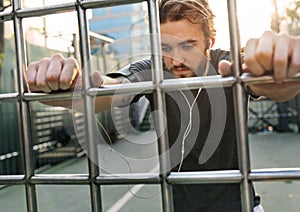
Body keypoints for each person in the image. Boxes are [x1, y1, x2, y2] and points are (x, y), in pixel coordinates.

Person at [26, 0, 300, 211]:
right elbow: (108, 91)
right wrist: (68, 89)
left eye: (189, 45)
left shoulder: (226, 64)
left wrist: (281, 73)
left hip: (241, 206)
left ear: (210, 42)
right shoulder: (152, 69)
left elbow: (265, 84)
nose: (178, 60)